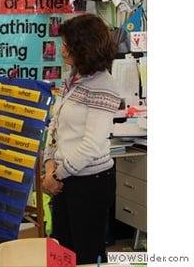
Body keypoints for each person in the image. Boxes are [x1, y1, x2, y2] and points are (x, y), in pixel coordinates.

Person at [42, 14, 121, 264]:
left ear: (83, 48)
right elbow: (55, 126)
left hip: (90, 182)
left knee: (86, 255)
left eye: (67, 45)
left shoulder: (104, 85)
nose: (62, 50)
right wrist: (49, 165)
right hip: (65, 178)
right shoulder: (73, 78)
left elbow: (91, 144)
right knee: (62, 252)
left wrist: (56, 176)